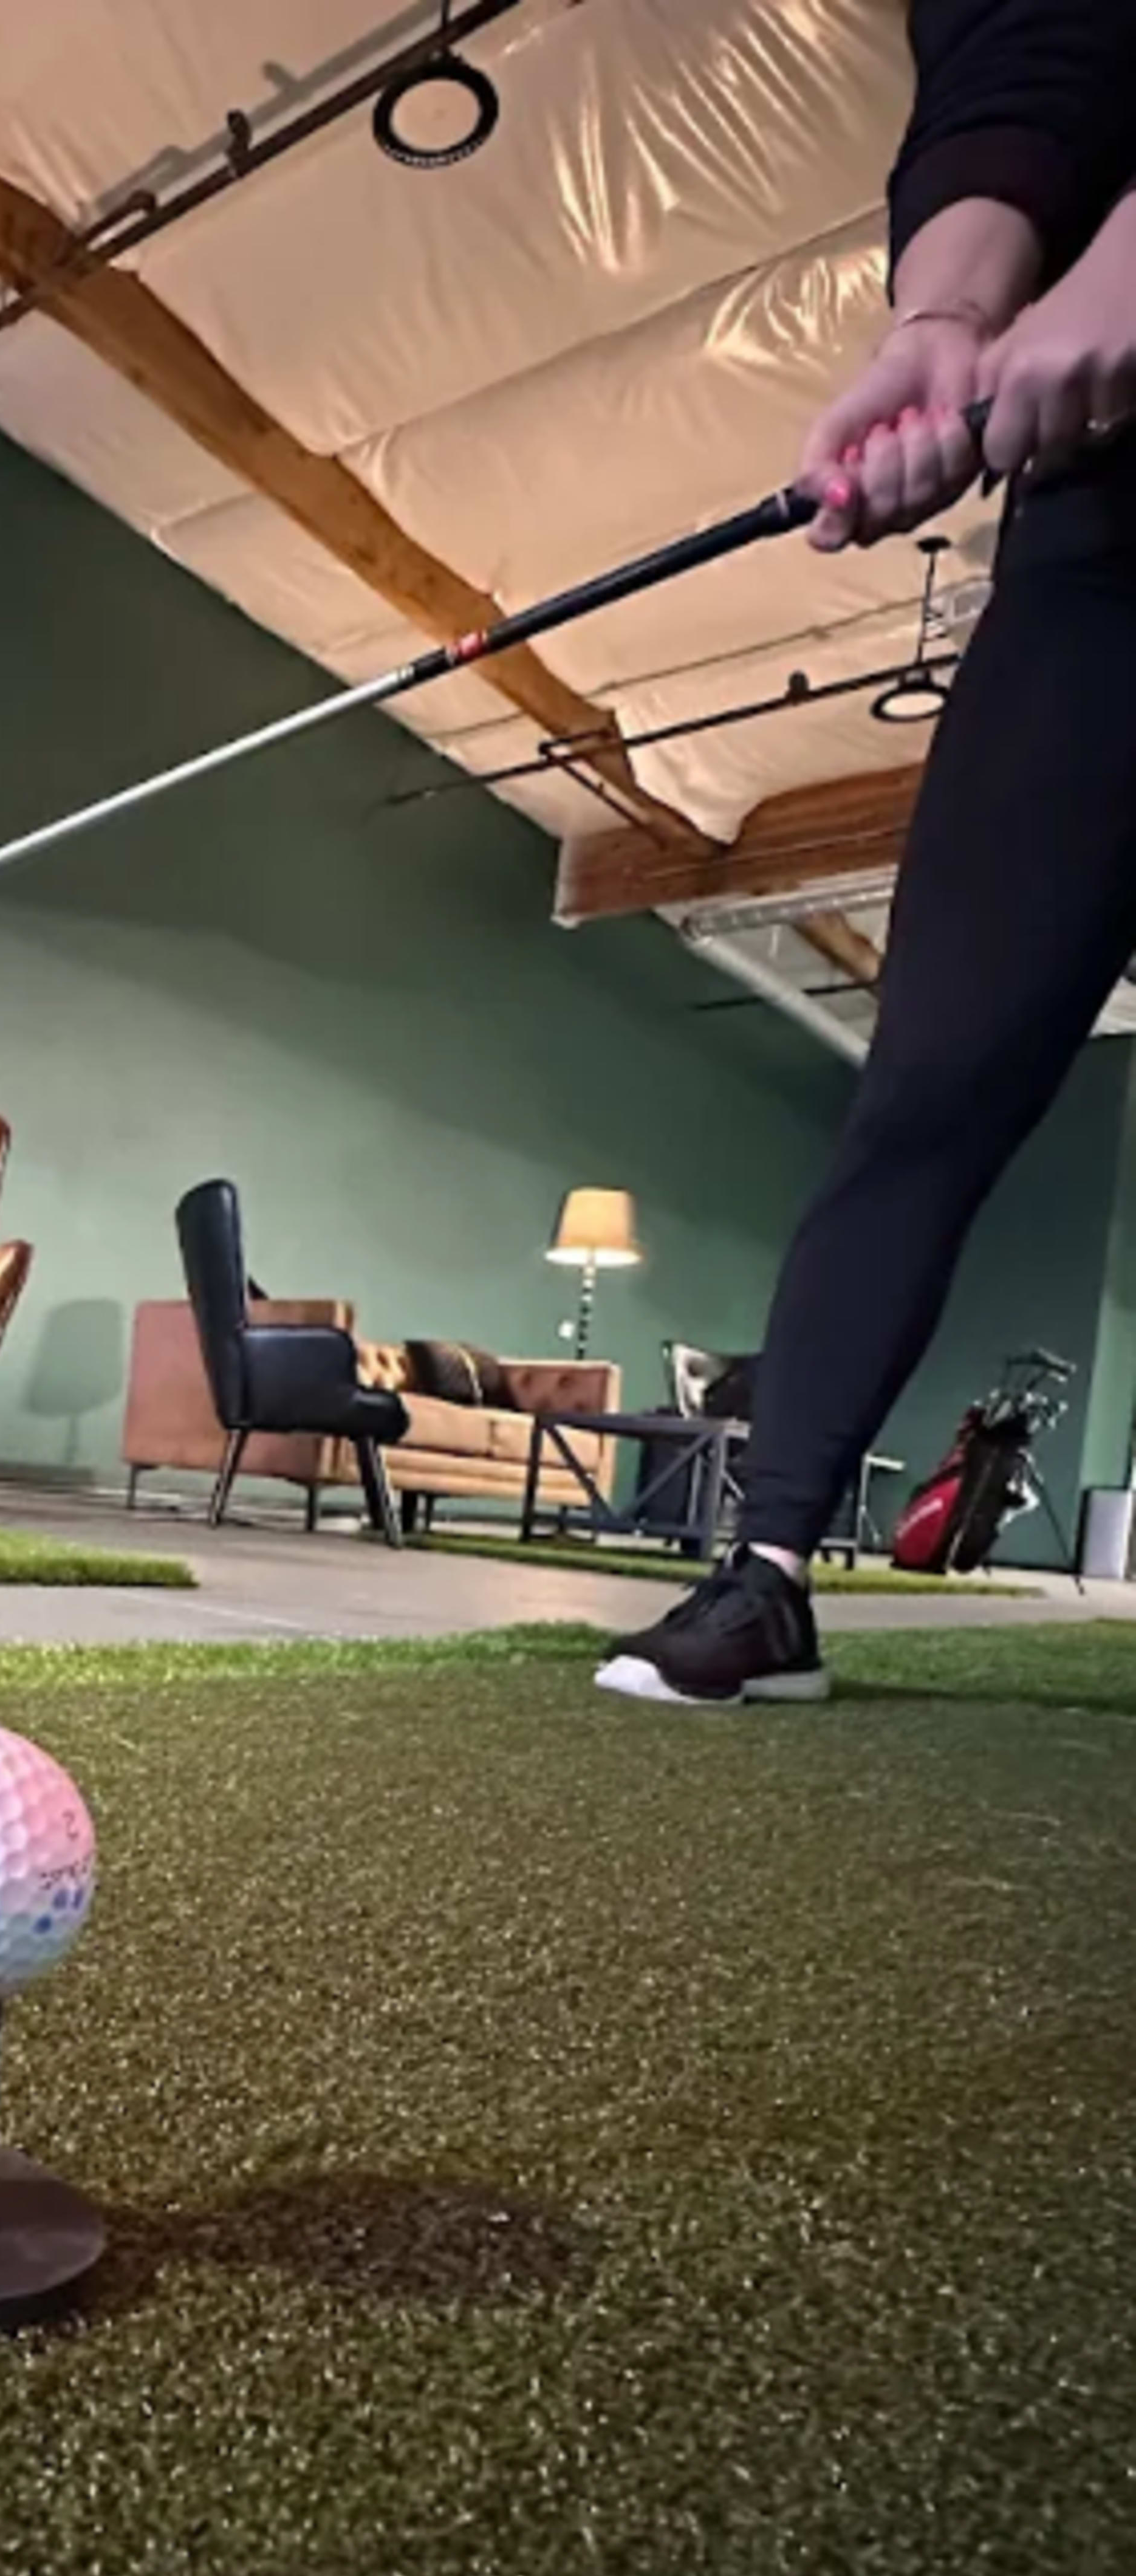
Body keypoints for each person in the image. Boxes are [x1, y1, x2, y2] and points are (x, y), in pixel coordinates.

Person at [598, 0, 1136, 1706]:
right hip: (1109, 548)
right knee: (933, 1069)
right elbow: (1031, 49)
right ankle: (764, 1577)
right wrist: (949, 313)